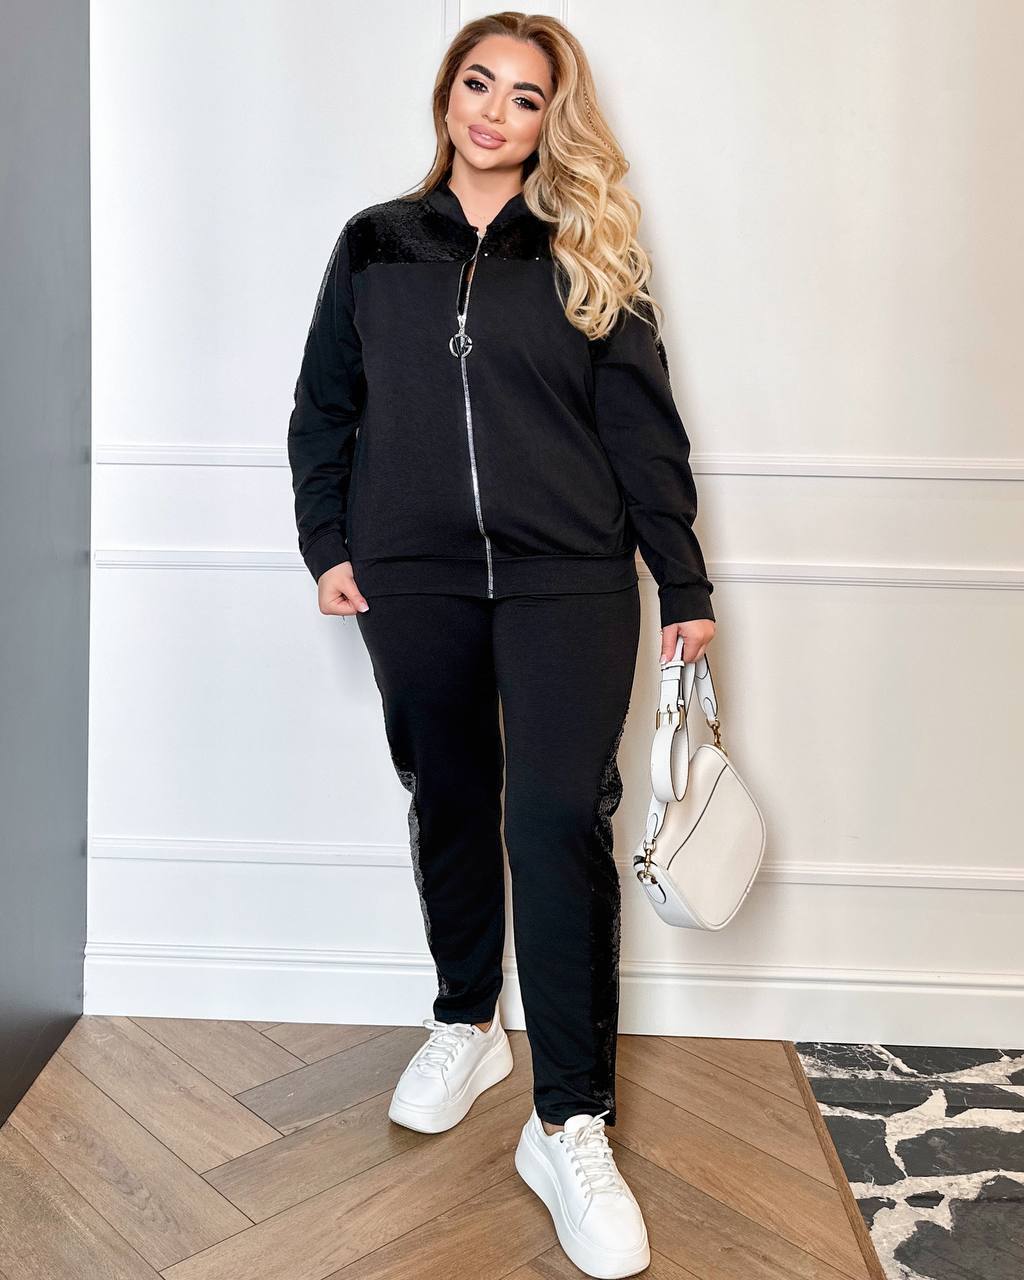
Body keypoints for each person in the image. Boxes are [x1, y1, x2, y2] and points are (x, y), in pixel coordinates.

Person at [287, 12, 715, 1277]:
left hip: (567, 576)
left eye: (524, 97)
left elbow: (643, 428)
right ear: (446, 95)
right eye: (477, 84)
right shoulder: (375, 244)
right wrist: (329, 541)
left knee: (557, 818)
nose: (492, 111)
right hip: (412, 576)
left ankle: (570, 1118)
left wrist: (681, 578)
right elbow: (324, 405)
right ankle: (467, 1018)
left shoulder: (587, 246)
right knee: (450, 796)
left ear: (548, 122)